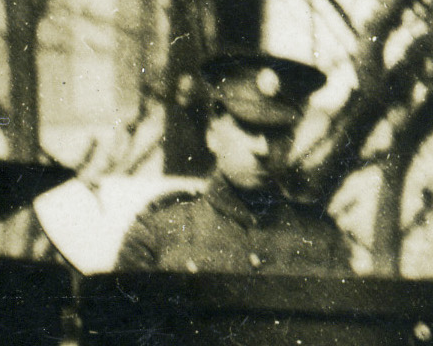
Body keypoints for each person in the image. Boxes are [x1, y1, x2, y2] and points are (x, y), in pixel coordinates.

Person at [120, 54, 353, 275]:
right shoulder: (158, 235)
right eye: (248, 129)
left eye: (277, 133)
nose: (262, 149)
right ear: (212, 133)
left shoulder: (324, 244)